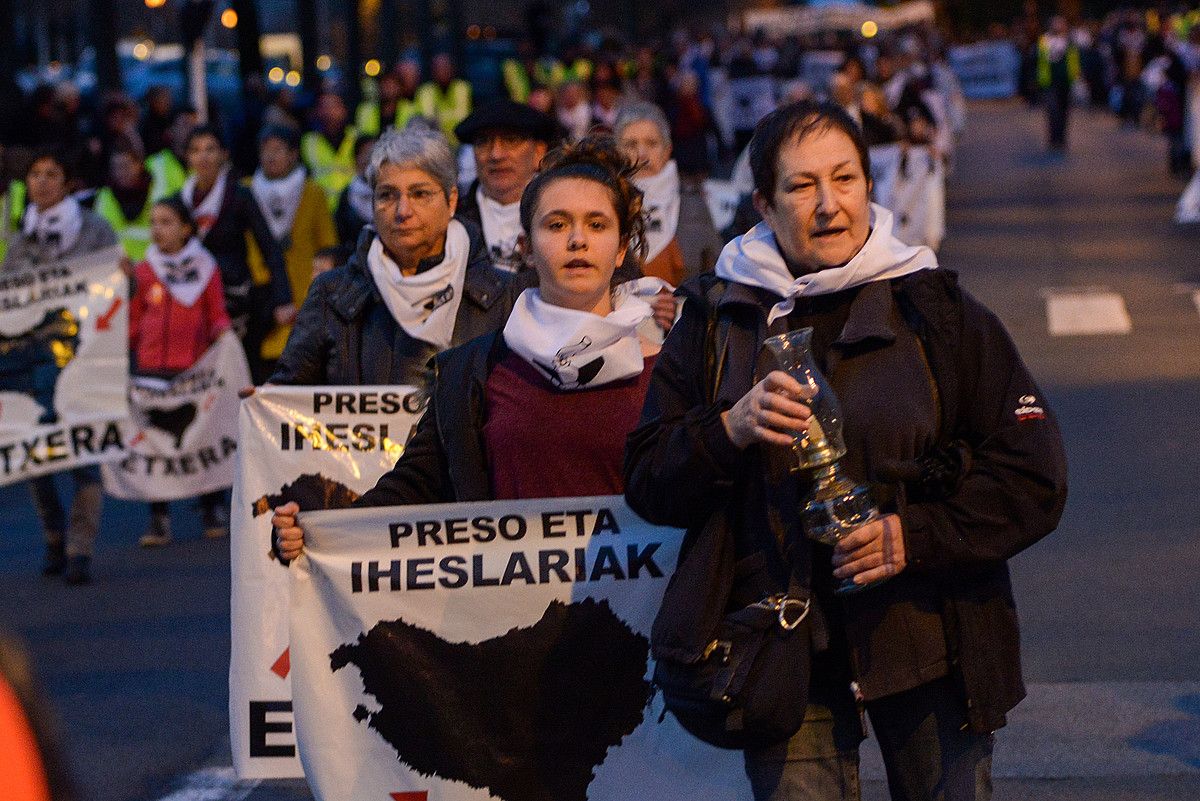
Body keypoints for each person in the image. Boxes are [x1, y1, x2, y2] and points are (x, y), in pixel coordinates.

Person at [623, 101, 1068, 801]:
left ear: (870, 186)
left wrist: (910, 537)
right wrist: (728, 429)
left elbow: (1034, 474)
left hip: (930, 641)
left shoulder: (937, 310)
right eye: (803, 186)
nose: (830, 205)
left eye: (846, 179)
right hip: (782, 651)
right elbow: (647, 477)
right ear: (765, 204)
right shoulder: (716, 318)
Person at [272, 136, 667, 556]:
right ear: (526, 249)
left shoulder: (671, 370)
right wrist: (317, 530)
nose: (577, 241)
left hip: (635, 617)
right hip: (514, 616)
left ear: (622, 246)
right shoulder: (472, 371)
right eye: (556, 224)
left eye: (597, 224)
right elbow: (411, 487)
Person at [269, 126, 518, 387]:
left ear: (452, 200)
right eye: (387, 195)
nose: (403, 211)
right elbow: (288, 397)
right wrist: (264, 402)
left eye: (420, 194)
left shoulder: (503, 296)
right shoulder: (330, 294)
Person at [2, 148, 120, 586]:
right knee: (37, 457)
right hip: (33, 363)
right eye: (34, 175)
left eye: (51, 174)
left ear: (67, 182)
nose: (42, 182)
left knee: (86, 454)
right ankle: (53, 532)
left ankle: (79, 545)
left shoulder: (95, 231)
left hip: (88, 358)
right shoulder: (19, 241)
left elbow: (113, 289)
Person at [128, 198, 232, 545]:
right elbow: (133, 318)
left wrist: (224, 335)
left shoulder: (206, 267)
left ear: (186, 228)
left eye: (167, 222)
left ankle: (212, 505)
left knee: (202, 435)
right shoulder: (144, 270)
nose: (158, 229)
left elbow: (215, 313)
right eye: (154, 222)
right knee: (154, 442)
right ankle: (158, 517)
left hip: (194, 368)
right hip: (150, 368)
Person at [179, 124, 291, 383]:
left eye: (210, 149)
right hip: (193, 299)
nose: (203, 157)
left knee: (238, 373)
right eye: (195, 150)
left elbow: (269, 247)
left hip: (235, 301)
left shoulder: (239, 194)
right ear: (188, 157)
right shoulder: (180, 199)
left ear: (223, 155)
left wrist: (283, 298)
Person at [247, 125, 337, 378]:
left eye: (277, 150)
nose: (270, 156)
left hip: (305, 299)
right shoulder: (246, 190)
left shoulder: (313, 191)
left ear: (293, 154)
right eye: (265, 150)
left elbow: (327, 247)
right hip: (263, 304)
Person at [616, 100, 724, 288]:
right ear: (617, 152)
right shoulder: (606, 205)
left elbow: (716, 277)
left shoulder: (693, 203)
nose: (641, 154)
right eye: (631, 145)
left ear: (668, 150)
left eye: (652, 143)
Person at [453, 99, 559, 273]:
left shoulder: (564, 212)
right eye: (483, 142)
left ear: (539, 152)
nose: (496, 154)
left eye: (511, 140)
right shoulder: (452, 217)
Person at [94, 147, 154, 265]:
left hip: (153, 268)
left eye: (126, 166)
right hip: (118, 270)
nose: (122, 172)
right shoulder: (104, 196)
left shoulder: (156, 191)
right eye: (117, 168)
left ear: (139, 165)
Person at [302, 92, 359, 210]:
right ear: (317, 111)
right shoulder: (308, 142)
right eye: (324, 106)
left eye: (334, 106)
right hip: (320, 209)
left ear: (344, 110)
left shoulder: (357, 138)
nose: (329, 112)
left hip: (353, 209)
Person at [1038, 16, 1081, 153]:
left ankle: (1062, 139)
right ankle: (1053, 139)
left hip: (1066, 82)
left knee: (1064, 112)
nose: (1058, 26)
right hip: (1049, 82)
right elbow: (1040, 60)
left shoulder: (1069, 41)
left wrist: (1076, 76)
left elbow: (1074, 59)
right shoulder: (1044, 40)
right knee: (1053, 111)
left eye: (1061, 24)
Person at [416, 54, 473, 144]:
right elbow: (429, 121)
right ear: (432, 72)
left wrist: (440, 118)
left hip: (461, 142)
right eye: (438, 69)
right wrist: (451, 117)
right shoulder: (425, 90)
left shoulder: (462, 87)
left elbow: (463, 118)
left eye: (446, 68)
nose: (442, 72)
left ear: (453, 70)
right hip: (436, 144)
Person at [356, 61, 422, 136]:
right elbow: (362, 137)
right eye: (384, 84)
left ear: (400, 88)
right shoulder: (366, 110)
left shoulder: (410, 110)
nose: (388, 88)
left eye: (392, 84)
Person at [334, 134, 378, 247]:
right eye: (364, 154)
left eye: (374, 154)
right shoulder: (347, 195)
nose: (369, 160)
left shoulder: (393, 192)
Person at [147, 107, 197, 202]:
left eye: (194, 125)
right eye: (185, 125)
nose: (191, 130)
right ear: (170, 131)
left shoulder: (205, 162)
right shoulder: (153, 164)